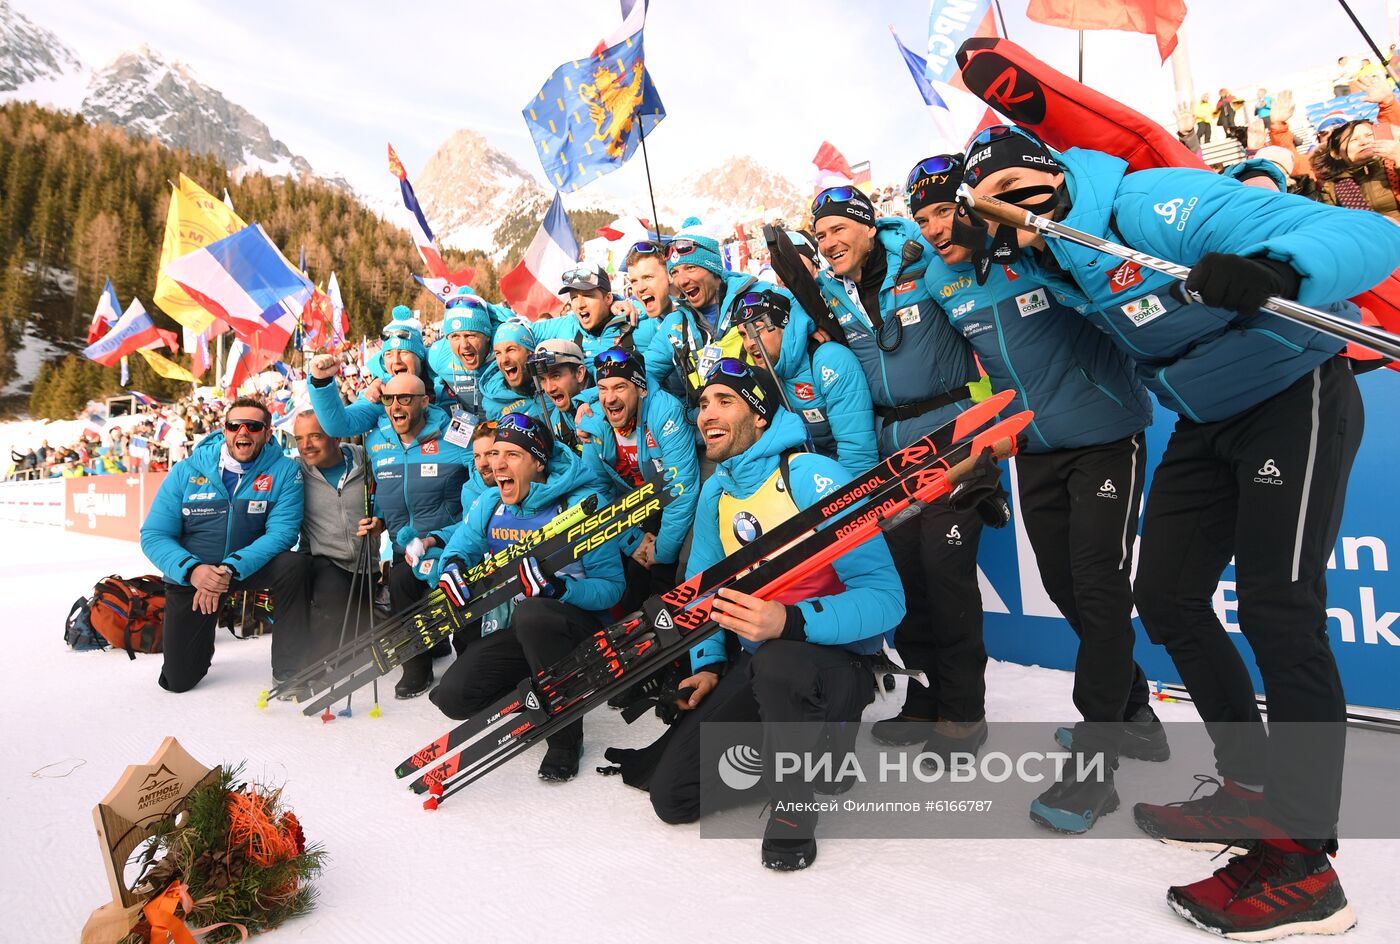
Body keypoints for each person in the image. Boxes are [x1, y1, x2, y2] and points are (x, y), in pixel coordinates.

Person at [965, 122, 1400, 939]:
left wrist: (1278, 267)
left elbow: (1367, 230)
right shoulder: (1045, 262)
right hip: (1206, 419)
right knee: (1165, 598)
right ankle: (1249, 785)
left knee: (1280, 611)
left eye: (1025, 193)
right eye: (998, 211)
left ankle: (1303, 865)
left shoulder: (1148, 203)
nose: (1019, 217)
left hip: (1293, 385)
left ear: (1053, 177)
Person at [907, 152, 1167, 831]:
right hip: (1036, 449)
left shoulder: (1036, 241)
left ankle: (1097, 765)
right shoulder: (936, 277)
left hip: (1108, 433)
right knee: (1064, 587)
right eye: (922, 217)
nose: (934, 228)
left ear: (973, 204)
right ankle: (1135, 712)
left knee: (1100, 586)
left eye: (944, 210)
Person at [644, 360, 904, 870]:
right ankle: (804, 750)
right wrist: (710, 665)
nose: (706, 414)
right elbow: (703, 595)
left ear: (761, 417)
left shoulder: (810, 475)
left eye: (725, 401)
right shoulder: (715, 493)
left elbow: (886, 597)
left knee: (783, 662)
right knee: (672, 796)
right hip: (765, 664)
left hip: (835, 662)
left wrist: (790, 621)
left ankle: (795, 803)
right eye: (702, 403)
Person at [806, 183, 991, 764]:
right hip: (892, 455)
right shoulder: (830, 294)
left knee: (947, 574)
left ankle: (963, 713)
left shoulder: (922, 256)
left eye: (838, 229)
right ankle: (923, 699)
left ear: (867, 227)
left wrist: (997, 427)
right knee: (907, 576)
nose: (829, 241)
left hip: (954, 437)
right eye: (820, 235)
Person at [431, 413, 625, 780]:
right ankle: (540, 693)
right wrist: (452, 567)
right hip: (519, 633)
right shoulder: (491, 504)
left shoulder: (579, 505)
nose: (496, 463)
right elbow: (459, 549)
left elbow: (612, 587)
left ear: (539, 462)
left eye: (512, 455)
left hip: (576, 635)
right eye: (494, 453)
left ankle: (565, 738)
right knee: (453, 697)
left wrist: (560, 589)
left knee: (535, 613)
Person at [309, 371, 473, 698]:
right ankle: (417, 664)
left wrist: (463, 530)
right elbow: (385, 484)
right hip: (406, 545)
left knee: (459, 597)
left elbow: (481, 480)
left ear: (425, 402)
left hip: (453, 542)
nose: (396, 406)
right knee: (400, 585)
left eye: (405, 398)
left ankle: (469, 660)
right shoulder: (377, 435)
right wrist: (380, 520)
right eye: (389, 399)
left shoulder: (456, 431)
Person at [139, 397, 307, 693]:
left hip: (246, 568)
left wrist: (230, 567)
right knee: (178, 681)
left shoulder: (284, 470)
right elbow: (154, 535)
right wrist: (192, 570)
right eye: (234, 425)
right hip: (196, 573)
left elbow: (282, 534)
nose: (243, 431)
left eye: (253, 426)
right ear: (224, 430)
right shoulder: (186, 470)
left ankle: (289, 670)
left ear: (268, 433)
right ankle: (200, 644)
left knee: (296, 565)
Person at [577, 348, 700, 613]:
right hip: (637, 510)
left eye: (620, 387)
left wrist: (661, 551)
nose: (609, 399)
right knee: (629, 572)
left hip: (674, 503)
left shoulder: (664, 410)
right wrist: (632, 542)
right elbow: (595, 494)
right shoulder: (594, 423)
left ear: (641, 389)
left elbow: (683, 488)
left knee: (670, 570)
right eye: (602, 388)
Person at [730, 288, 877, 474]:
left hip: (846, 480)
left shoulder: (829, 359)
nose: (750, 343)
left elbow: (858, 455)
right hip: (809, 474)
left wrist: (845, 500)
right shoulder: (768, 375)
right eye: (743, 334)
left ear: (784, 326)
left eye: (757, 329)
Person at [284, 409, 376, 700]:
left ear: (335, 435)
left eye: (315, 436)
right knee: (331, 598)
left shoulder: (366, 459)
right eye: (299, 438)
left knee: (364, 628)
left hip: (367, 564)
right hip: (325, 558)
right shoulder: (295, 472)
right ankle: (315, 668)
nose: (306, 445)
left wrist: (380, 520)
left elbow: (390, 492)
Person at [532, 263, 653, 364]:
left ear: (608, 298)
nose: (580, 304)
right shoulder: (568, 324)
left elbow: (667, 309)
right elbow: (519, 329)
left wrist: (636, 307)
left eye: (587, 295)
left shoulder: (638, 321)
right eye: (574, 297)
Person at [1315, 117, 1400, 222]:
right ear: (1336, 154)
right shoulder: (1331, 187)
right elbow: (1338, 223)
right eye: (1353, 140)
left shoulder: (1394, 163)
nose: (1364, 142)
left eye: (1369, 135)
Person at [427, 290, 497, 416]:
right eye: (455, 336)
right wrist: (379, 376)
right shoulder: (438, 356)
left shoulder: (502, 346)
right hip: (468, 428)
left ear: (487, 335)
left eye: (470, 335)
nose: (464, 345)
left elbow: (540, 331)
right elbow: (410, 358)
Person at [528, 339, 590, 453]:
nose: (549, 388)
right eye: (542, 379)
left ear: (579, 373)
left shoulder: (608, 405)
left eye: (555, 376)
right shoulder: (554, 421)